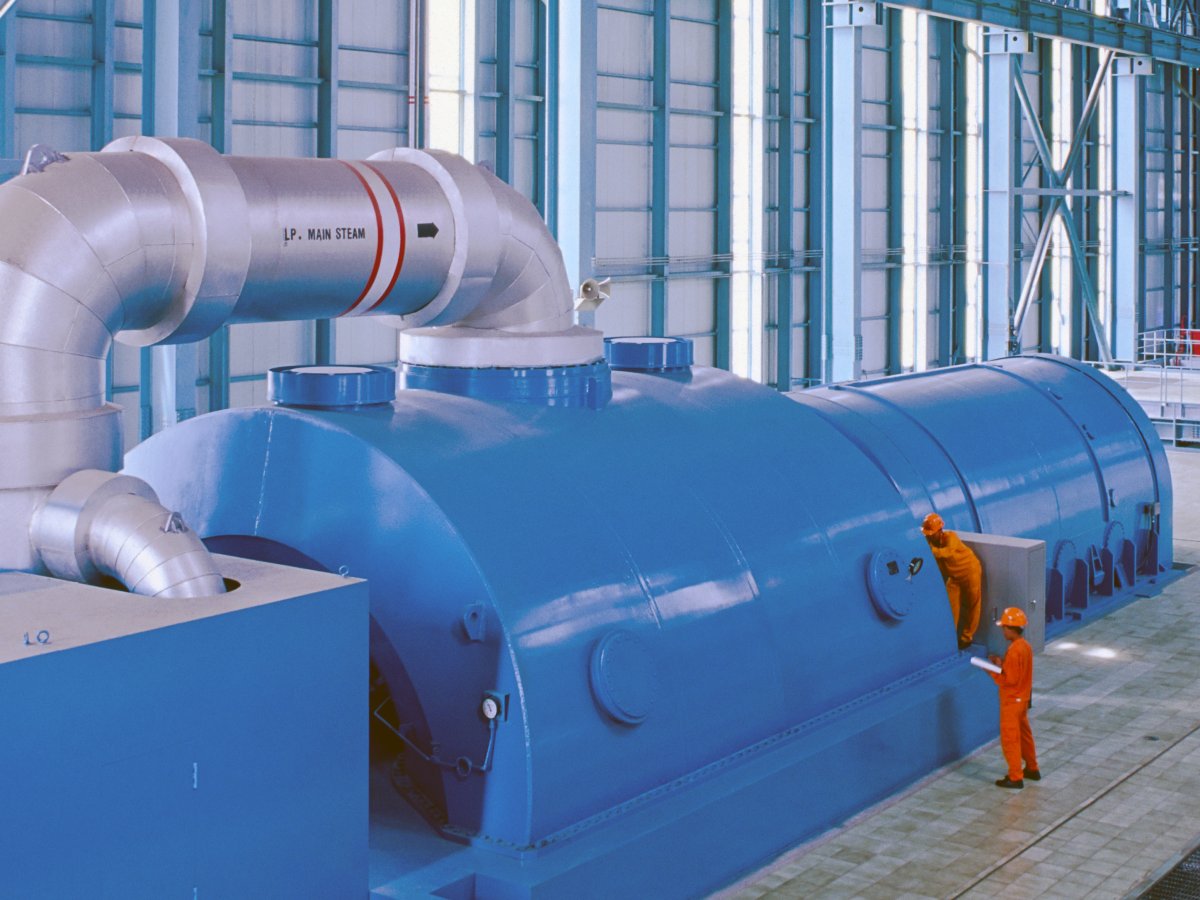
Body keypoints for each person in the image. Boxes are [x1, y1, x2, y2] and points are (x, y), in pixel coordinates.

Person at [989, 606, 1040, 789]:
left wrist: (991, 670)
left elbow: (1009, 680)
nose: (1003, 631)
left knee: (1011, 738)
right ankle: (1032, 768)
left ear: (1011, 629)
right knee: (1025, 735)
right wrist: (1001, 663)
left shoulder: (1014, 650)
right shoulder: (1025, 647)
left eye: (1004, 628)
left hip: (1011, 700)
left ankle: (1015, 777)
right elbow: (1018, 671)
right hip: (1023, 699)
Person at [921, 512, 982, 650]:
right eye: (927, 534)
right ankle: (948, 636)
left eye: (930, 534)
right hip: (954, 577)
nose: (928, 536)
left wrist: (929, 550)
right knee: (949, 606)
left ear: (939, 531)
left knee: (973, 604)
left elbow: (946, 552)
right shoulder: (932, 543)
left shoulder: (951, 537)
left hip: (970, 572)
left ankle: (966, 637)